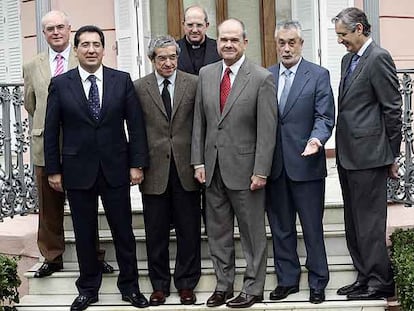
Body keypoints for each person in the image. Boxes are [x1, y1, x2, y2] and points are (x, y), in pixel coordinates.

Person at [44, 25, 149, 310]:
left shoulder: (121, 80)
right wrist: (53, 170)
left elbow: (135, 126)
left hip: (116, 168)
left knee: (123, 232)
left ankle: (130, 287)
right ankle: (88, 289)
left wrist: (137, 164)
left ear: (104, 48)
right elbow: (51, 130)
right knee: (84, 233)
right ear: (76, 49)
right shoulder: (61, 84)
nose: (91, 49)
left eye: (96, 44)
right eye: (85, 45)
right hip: (78, 171)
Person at [191, 18, 277, 308]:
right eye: (223, 40)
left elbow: (267, 131)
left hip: (247, 172)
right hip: (212, 169)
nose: (228, 45)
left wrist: (261, 170)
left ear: (245, 42)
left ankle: (253, 288)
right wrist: (197, 162)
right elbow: (199, 123)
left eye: (234, 40)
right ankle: (223, 286)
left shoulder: (261, 78)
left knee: (252, 235)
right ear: (217, 42)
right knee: (217, 234)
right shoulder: (206, 73)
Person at [23, 10, 113, 278]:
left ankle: (94, 256)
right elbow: (31, 104)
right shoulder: (32, 65)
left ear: (70, 29)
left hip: (81, 146)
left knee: (85, 205)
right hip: (45, 147)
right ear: (44, 34)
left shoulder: (84, 56)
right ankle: (52, 257)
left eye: (60, 27)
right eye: (50, 29)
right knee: (49, 207)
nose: (56, 32)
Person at [332, 7, 402, 300]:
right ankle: (363, 277)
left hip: (371, 157)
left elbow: (393, 110)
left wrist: (391, 156)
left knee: (370, 224)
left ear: (360, 29)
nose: (340, 41)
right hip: (348, 156)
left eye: (343, 35)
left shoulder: (378, 57)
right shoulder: (349, 59)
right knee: (353, 222)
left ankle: (380, 281)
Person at [266, 20, 335, 304]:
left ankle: (318, 281)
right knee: (281, 228)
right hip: (274, 167)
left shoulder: (318, 75)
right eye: (281, 42)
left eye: (291, 42)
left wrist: (317, 140)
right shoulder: (265, 76)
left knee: (312, 228)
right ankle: (287, 280)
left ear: (301, 43)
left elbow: (325, 117)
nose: (286, 48)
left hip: (307, 166)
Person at [133, 35, 201, 306]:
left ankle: (186, 284)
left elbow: (201, 126)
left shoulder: (193, 84)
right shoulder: (138, 87)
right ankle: (159, 285)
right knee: (156, 232)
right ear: (152, 60)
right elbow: (136, 130)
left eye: (173, 57)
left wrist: (200, 163)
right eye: (162, 57)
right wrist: (136, 164)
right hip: (154, 170)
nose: (168, 62)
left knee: (189, 231)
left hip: (187, 169)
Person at [177, 5, 221, 75]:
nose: (194, 30)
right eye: (190, 25)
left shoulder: (219, 48)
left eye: (199, 25)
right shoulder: (173, 49)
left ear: (207, 25)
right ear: (183, 25)